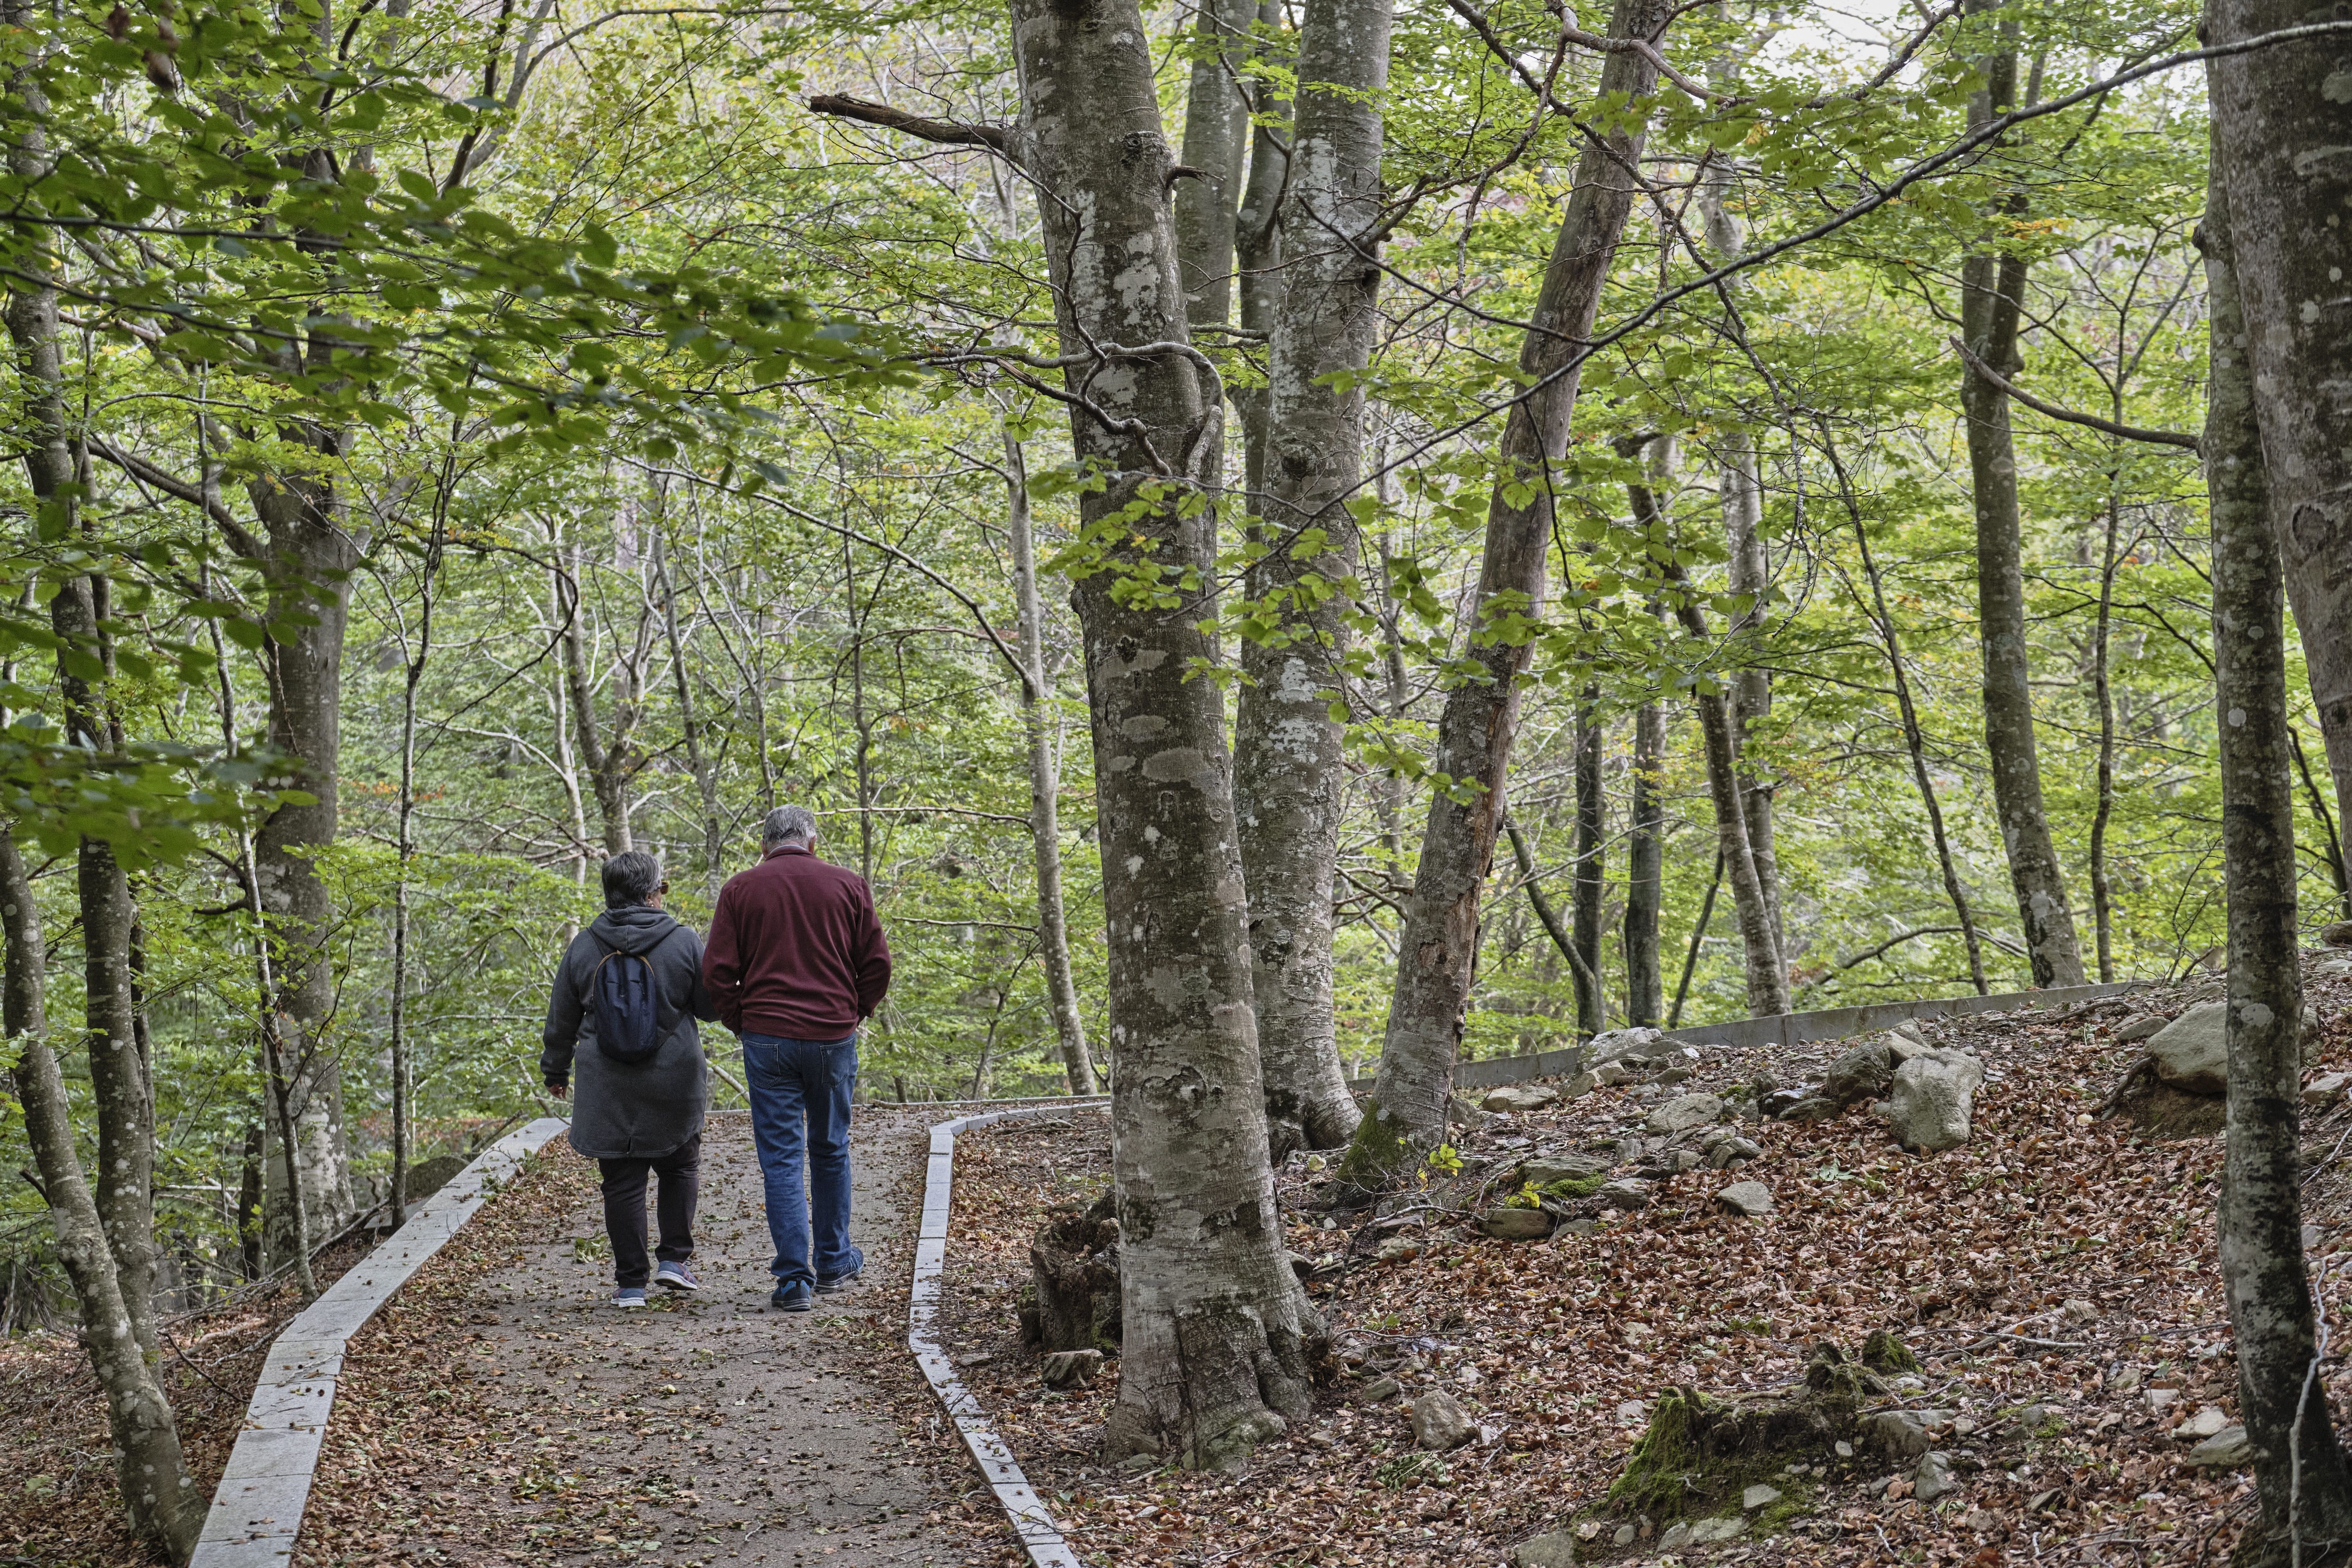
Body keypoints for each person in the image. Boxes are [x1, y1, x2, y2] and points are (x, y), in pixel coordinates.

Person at [703, 805, 892, 1312]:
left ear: (764, 847)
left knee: (782, 1158)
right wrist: (856, 1010)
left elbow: (717, 973)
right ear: (813, 843)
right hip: (832, 1034)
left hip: (768, 1037)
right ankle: (832, 1259)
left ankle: (794, 1279)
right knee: (830, 1146)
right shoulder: (848, 885)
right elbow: (877, 963)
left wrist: (744, 1020)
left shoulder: (740, 891)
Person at [541, 851, 718, 1309]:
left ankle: (631, 1284)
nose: (663, 895)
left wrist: (555, 1070)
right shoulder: (683, 941)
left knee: (622, 1181)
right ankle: (674, 1261)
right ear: (650, 893)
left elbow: (562, 1016)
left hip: (608, 1085)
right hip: (674, 1079)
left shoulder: (584, 945)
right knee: (680, 1165)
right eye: (662, 887)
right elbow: (708, 1007)